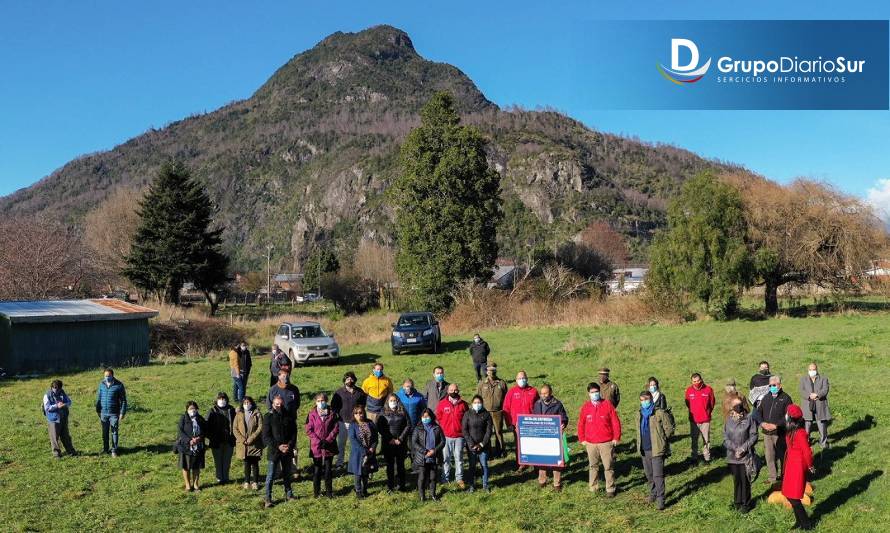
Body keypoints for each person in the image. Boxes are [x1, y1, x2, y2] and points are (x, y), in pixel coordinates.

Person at [578, 382, 622, 497]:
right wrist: (582, 438)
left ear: (599, 392)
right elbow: (581, 424)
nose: (594, 394)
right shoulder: (585, 407)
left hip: (606, 442)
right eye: (592, 392)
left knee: (608, 466)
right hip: (591, 443)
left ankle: (610, 489)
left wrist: (616, 437)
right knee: (593, 466)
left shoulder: (607, 405)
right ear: (589, 394)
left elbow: (615, 422)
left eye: (596, 392)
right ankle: (593, 487)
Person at [636, 390, 675, 510]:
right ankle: (653, 493)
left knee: (658, 475)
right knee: (649, 474)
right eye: (642, 400)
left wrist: (662, 440)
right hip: (644, 449)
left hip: (657, 449)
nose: (644, 402)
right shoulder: (639, 414)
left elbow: (669, 428)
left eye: (646, 399)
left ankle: (660, 499)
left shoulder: (659, 413)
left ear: (651, 400)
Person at [723, 395, 758, 513]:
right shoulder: (728, 420)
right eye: (735, 405)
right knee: (736, 479)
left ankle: (746, 503)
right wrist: (735, 449)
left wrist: (743, 449)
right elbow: (725, 438)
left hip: (745, 456)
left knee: (745, 479)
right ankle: (737, 502)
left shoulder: (749, 418)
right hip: (732, 456)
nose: (738, 408)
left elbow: (754, 436)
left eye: (740, 405)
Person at [782, 404, 815, 530]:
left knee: (794, 497)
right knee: (790, 495)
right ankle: (799, 521)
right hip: (791, 465)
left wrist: (810, 465)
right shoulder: (791, 430)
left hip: (797, 467)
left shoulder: (800, 433)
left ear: (790, 418)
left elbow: (807, 451)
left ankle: (806, 524)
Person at [757, 374, 793, 484]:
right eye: (770, 385)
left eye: (773, 385)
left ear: (779, 385)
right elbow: (758, 413)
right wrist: (762, 423)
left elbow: (788, 416)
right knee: (769, 455)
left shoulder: (786, 398)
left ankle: (784, 476)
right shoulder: (765, 397)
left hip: (780, 432)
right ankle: (772, 477)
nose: (771, 387)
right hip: (767, 432)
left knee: (782, 455)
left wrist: (776, 425)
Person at [532, 384, 569, 491]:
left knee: (556, 460)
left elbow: (564, 417)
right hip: (541, 436)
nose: (543, 395)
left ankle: (557, 483)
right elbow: (533, 417)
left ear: (551, 393)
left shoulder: (557, 404)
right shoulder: (537, 404)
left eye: (545, 393)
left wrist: (563, 423)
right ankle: (542, 480)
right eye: (541, 393)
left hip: (554, 436)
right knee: (542, 459)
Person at [262, 394, 297, 507]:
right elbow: (266, 436)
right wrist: (278, 446)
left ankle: (289, 494)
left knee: (287, 474)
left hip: (287, 450)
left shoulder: (289, 417)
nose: (279, 406)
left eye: (280, 404)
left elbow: (293, 433)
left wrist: (289, 445)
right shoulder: (268, 417)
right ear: (273, 404)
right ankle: (268, 498)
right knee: (271, 475)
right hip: (274, 451)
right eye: (276, 404)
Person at [305, 392, 339, 498]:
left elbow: (336, 427)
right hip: (317, 446)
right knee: (317, 470)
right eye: (318, 401)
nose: (321, 403)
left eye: (323, 400)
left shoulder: (332, 413)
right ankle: (317, 492)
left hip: (329, 445)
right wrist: (319, 441)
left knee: (328, 470)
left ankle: (329, 492)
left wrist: (328, 439)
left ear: (326, 401)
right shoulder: (312, 414)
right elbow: (309, 429)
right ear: (316, 402)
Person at [503, 370, 539, 470]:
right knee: (519, 445)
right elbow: (506, 408)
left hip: (531, 423)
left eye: (523, 378)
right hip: (517, 424)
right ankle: (521, 464)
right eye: (519, 378)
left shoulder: (533, 391)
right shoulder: (511, 392)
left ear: (527, 379)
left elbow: (539, 406)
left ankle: (535, 463)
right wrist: (509, 424)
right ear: (516, 380)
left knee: (532, 443)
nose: (522, 380)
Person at [435, 383, 469, 487]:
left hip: (459, 436)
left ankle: (459, 478)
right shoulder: (442, 404)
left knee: (459, 458)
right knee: (446, 459)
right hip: (446, 436)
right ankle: (445, 478)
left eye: (455, 390)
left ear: (458, 391)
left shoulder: (463, 404)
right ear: (448, 391)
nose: (453, 392)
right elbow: (438, 417)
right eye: (451, 390)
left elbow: (467, 419)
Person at [331, 371, 366, 470]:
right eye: (347, 379)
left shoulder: (360, 392)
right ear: (344, 380)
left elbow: (363, 405)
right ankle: (340, 462)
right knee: (341, 444)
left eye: (351, 379)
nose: (349, 381)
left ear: (354, 380)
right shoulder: (339, 392)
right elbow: (334, 406)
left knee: (356, 443)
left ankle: (355, 461)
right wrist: (338, 417)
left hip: (356, 423)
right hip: (343, 422)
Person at [410, 408, 445, 501]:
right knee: (422, 477)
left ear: (431, 417)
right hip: (422, 457)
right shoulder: (418, 428)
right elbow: (414, 442)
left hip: (434, 457)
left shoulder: (437, 428)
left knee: (433, 477)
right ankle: (422, 496)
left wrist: (434, 450)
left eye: (427, 416)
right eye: (423, 416)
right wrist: (425, 451)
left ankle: (433, 495)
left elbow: (442, 441)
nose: (425, 418)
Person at [378, 393, 410, 492]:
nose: (393, 402)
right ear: (387, 402)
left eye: (394, 400)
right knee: (390, 465)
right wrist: (390, 439)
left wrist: (400, 439)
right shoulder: (383, 412)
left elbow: (408, 425)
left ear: (397, 401)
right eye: (391, 401)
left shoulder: (403, 411)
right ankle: (390, 486)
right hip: (388, 443)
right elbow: (380, 427)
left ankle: (402, 485)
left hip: (401, 443)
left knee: (400, 465)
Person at [463, 395, 493, 493]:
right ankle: (471, 486)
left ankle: (485, 485)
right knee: (472, 466)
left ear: (482, 403)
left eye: (479, 402)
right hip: (471, 446)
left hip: (483, 446)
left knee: (484, 465)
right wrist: (471, 444)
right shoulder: (467, 414)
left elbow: (489, 432)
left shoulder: (487, 414)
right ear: (472, 404)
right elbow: (464, 430)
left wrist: (481, 444)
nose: (477, 404)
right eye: (475, 402)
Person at [476, 362, 508, 457]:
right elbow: (478, 398)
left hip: (498, 412)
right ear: (486, 371)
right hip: (485, 413)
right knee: (487, 433)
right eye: (490, 370)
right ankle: (488, 452)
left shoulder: (502, 383)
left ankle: (500, 451)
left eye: (493, 370)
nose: (492, 372)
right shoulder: (482, 384)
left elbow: (506, 398)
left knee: (498, 432)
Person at [233, 395, 264, 490]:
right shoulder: (239, 414)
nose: (247, 404)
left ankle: (255, 482)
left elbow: (260, 427)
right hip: (243, 445)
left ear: (252, 403)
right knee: (246, 463)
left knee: (255, 463)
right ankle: (246, 481)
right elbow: (235, 428)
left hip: (255, 443)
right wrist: (242, 440)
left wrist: (251, 438)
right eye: (245, 403)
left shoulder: (257, 413)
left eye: (248, 403)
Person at [348, 406, 379, 498]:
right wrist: (364, 450)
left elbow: (375, 437)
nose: (359, 415)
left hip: (370, 452)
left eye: (360, 412)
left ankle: (365, 489)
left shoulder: (370, 423)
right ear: (354, 415)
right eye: (356, 413)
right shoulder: (352, 425)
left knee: (366, 472)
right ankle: (358, 491)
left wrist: (373, 448)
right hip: (358, 453)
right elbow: (353, 439)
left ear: (364, 413)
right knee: (358, 473)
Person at [684, 373, 715, 464]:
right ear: (691, 381)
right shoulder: (689, 391)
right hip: (694, 420)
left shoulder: (708, 389)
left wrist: (707, 413)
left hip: (705, 420)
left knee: (706, 440)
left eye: (698, 381)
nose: (696, 383)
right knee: (694, 439)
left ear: (701, 379)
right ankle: (694, 457)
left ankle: (707, 458)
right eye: (694, 381)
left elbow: (712, 403)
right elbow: (687, 403)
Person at [95, 367, 127, 457]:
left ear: (112, 375)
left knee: (114, 432)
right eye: (105, 376)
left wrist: (122, 413)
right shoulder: (101, 384)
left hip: (114, 413)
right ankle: (105, 449)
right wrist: (98, 410)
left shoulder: (119, 385)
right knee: (104, 432)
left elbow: (123, 400)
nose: (107, 377)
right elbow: (99, 398)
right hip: (103, 413)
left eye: (108, 376)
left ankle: (114, 450)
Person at [176, 401, 207, 492]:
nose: (192, 410)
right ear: (187, 410)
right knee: (186, 467)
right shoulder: (183, 418)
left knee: (196, 467)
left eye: (194, 408)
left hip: (198, 446)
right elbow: (180, 432)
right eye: (190, 409)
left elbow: (205, 431)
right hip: (186, 447)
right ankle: (188, 486)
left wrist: (199, 438)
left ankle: (196, 485)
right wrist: (189, 440)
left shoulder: (200, 419)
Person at [799, 363, 831, 449]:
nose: (812, 371)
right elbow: (801, 391)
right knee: (807, 425)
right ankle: (806, 442)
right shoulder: (803, 379)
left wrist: (817, 395)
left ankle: (823, 442)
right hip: (807, 405)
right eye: (810, 369)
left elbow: (825, 390)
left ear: (817, 370)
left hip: (820, 404)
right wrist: (809, 395)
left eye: (813, 369)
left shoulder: (824, 379)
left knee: (821, 424)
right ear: (808, 370)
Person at [207, 391, 236, 484]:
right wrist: (211, 437)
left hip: (229, 440)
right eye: (220, 399)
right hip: (216, 441)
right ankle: (219, 478)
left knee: (227, 460)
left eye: (224, 399)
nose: (222, 400)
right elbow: (206, 425)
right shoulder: (212, 411)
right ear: (216, 400)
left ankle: (226, 478)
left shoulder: (231, 410)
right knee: (218, 461)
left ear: (227, 400)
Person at [43, 379, 76, 458]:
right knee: (54, 437)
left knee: (66, 436)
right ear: (52, 387)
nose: (56, 389)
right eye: (54, 387)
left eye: (58, 388)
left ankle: (71, 451)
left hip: (63, 418)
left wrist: (64, 404)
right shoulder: (47, 395)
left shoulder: (62, 392)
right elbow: (47, 408)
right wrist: (57, 406)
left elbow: (69, 402)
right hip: (54, 419)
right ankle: (56, 454)